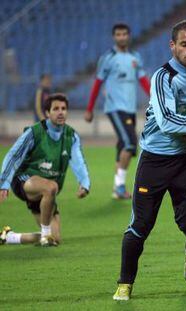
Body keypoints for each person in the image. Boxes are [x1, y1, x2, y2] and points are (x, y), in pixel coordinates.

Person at [113, 20, 186, 301]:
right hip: (155, 161)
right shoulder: (163, 77)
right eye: (184, 44)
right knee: (140, 225)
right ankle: (125, 284)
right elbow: (169, 122)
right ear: (172, 45)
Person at [0, 93, 90, 246]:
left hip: (47, 193)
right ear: (47, 113)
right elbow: (14, 156)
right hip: (25, 180)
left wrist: (84, 183)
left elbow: (78, 161)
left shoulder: (71, 136)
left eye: (63, 108)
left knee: (55, 238)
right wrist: (4, 183)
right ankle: (45, 235)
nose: (60, 112)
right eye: (56, 109)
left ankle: (9, 237)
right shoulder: (34, 132)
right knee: (51, 187)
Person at [84, 23, 150, 199]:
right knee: (130, 143)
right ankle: (120, 186)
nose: (121, 37)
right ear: (114, 37)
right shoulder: (108, 58)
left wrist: (155, 98)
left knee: (123, 145)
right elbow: (97, 83)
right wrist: (89, 109)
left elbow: (143, 81)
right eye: (118, 34)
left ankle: (117, 188)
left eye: (124, 34)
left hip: (130, 108)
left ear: (128, 36)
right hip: (114, 108)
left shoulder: (135, 57)